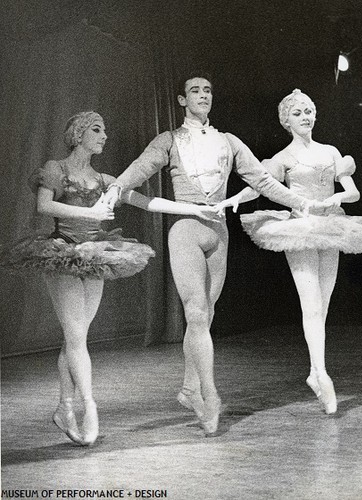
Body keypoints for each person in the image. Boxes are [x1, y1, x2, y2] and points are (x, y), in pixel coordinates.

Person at [103, 75, 330, 435]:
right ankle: (209, 395)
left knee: (206, 315)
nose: (203, 95)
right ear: (181, 99)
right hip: (187, 230)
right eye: (195, 90)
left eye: (208, 90)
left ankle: (189, 387)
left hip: (219, 233)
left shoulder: (228, 141)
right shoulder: (169, 140)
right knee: (195, 313)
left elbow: (263, 181)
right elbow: (141, 168)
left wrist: (302, 200)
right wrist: (117, 185)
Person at [0, 111, 215, 446]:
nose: (104, 136)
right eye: (97, 130)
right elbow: (44, 206)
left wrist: (191, 210)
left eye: (105, 130)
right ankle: (90, 408)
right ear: (79, 133)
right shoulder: (57, 168)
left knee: (76, 337)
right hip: (63, 253)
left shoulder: (105, 179)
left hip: (97, 252)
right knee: (76, 337)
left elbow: (146, 202)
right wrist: (91, 213)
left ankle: (63, 406)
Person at [218, 89, 362, 414]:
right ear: (286, 120)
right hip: (300, 228)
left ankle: (314, 372)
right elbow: (261, 185)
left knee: (322, 305)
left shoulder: (331, 152)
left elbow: (353, 192)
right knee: (310, 305)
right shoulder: (282, 158)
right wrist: (233, 199)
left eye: (309, 111)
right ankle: (321, 373)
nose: (306, 116)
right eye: (298, 113)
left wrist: (336, 199)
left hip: (331, 225)